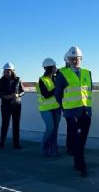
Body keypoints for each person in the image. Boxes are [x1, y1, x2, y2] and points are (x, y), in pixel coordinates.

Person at [55, 46, 92, 177]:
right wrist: (65, 108)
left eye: (77, 58)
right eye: (72, 59)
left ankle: (77, 161)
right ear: (68, 60)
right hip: (71, 113)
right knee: (77, 138)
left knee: (82, 139)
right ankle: (82, 165)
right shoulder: (62, 73)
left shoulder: (87, 73)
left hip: (86, 111)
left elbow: (89, 91)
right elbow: (58, 94)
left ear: (81, 59)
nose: (75, 61)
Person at [0, 62, 25, 150]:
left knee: (16, 125)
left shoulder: (18, 80)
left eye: (8, 71)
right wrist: (4, 96)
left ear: (12, 71)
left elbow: (23, 91)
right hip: (5, 105)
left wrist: (18, 95)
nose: (7, 73)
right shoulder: (0, 81)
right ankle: (2, 142)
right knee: (5, 124)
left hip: (17, 105)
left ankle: (16, 144)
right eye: (5, 71)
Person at [38, 58, 61, 157]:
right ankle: (44, 148)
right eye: (54, 67)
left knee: (55, 130)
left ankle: (54, 150)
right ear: (49, 68)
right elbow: (46, 94)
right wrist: (57, 88)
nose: (56, 68)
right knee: (50, 128)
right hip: (46, 109)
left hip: (56, 108)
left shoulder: (56, 78)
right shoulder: (42, 80)